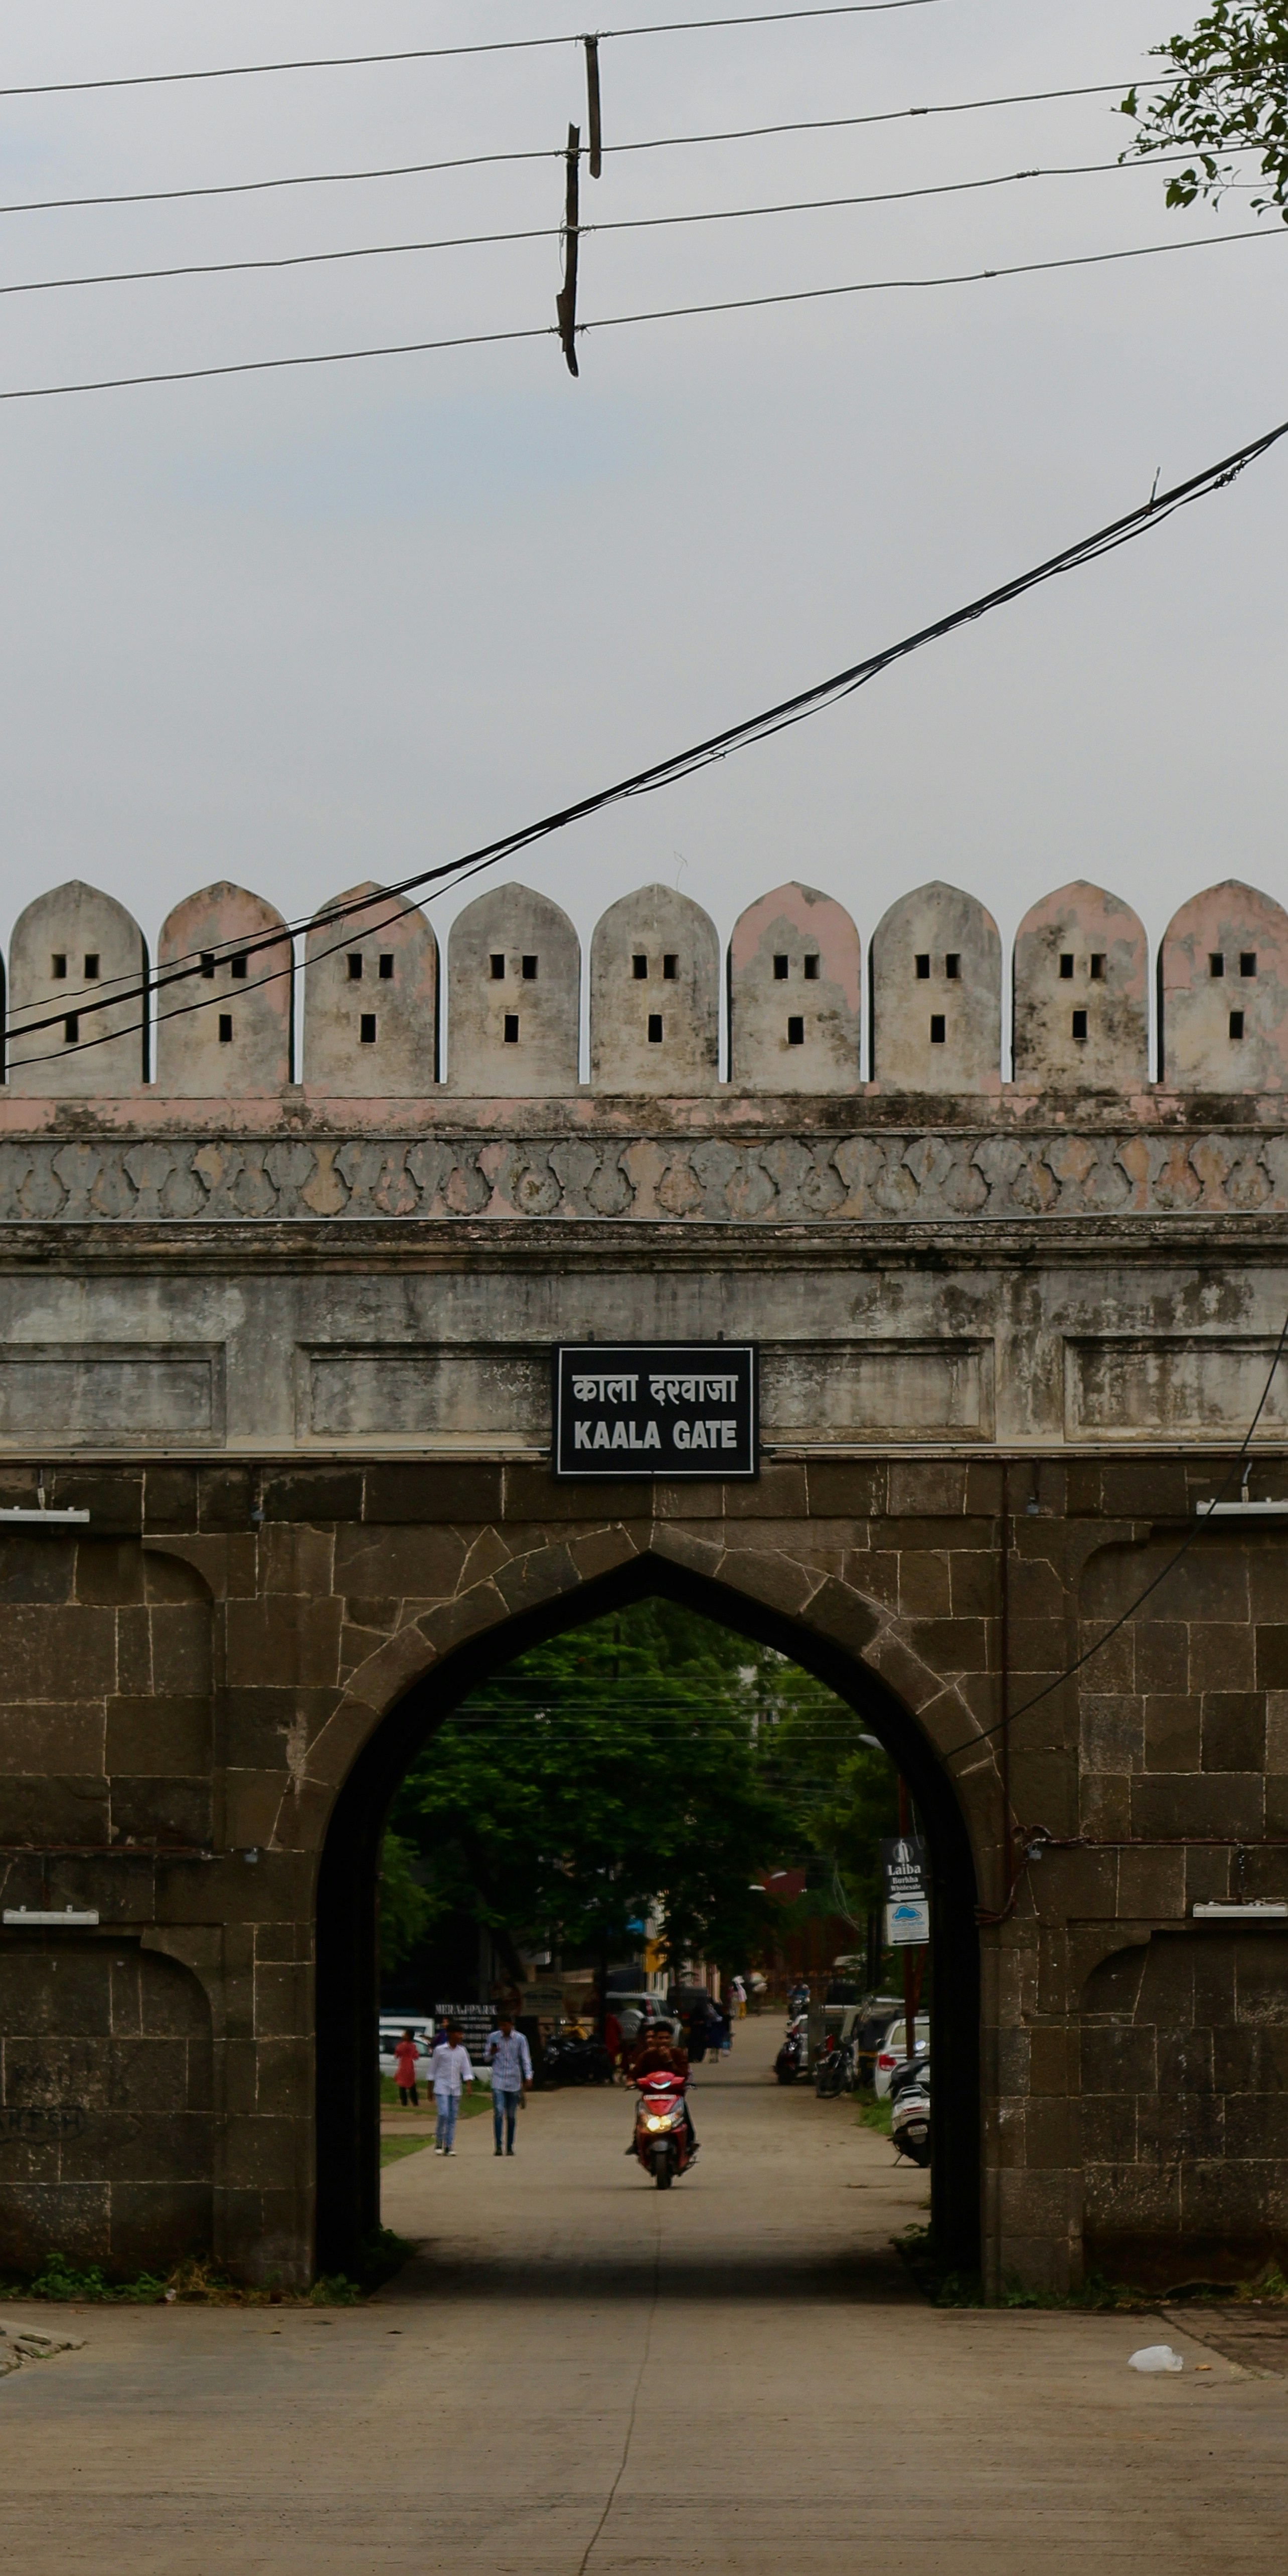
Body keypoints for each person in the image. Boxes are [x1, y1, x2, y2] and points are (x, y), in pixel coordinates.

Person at [628, 2025, 698, 2158]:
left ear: (672, 2039)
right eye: (660, 2038)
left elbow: (683, 2074)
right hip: (651, 2096)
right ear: (654, 2039)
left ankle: (690, 2141)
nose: (664, 2041)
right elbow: (635, 2073)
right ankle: (636, 2142)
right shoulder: (647, 2056)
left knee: (684, 2109)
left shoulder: (678, 2054)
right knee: (639, 2109)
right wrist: (631, 2081)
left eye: (667, 2038)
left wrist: (669, 2060)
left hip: (673, 2096)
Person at [484, 2010, 533, 2157]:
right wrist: (491, 2052)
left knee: (511, 2115)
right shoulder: (493, 2038)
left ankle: (510, 2146)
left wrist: (528, 2076)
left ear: (511, 2025)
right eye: (501, 2026)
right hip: (498, 2079)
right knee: (499, 2112)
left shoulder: (520, 2039)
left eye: (505, 2025)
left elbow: (525, 2059)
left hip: (513, 2081)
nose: (503, 2028)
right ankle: (498, 2146)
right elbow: (486, 2058)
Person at [429, 2021, 473, 2155]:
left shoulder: (462, 2051)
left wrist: (469, 2086)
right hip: (441, 2086)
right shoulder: (440, 2050)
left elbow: (466, 2069)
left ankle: (449, 2146)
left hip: (455, 2088)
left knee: (452, 2118)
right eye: (458, 2033)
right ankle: (439, 2141)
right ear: (449, 2035)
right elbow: (432, 2070)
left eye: (461, 2034)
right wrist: (429, 2090)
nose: (461, 2036)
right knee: (444, 2113)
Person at [393, 2027, 421, 2110]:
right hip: (410, 2066)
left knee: (402, 2086)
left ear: (408, 2036)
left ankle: (404, 2103)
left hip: (403, 2066)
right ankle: (415, 2102)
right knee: (412, 2085)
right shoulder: (413, 2046)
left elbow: (397, 2054)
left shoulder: (401, 2045)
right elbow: (416, 2056)